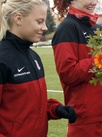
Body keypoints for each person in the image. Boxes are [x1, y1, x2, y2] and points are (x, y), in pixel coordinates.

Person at [51, 0, 102, 136]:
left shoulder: (98, 29)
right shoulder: (67, 28)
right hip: (88, 121)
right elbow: (68, 73)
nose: (95, 2)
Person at [0, 0, 76, 136]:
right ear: (18, 19)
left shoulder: (34, 57)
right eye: (39, 21)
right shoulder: (2, 59)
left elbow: (28, 105)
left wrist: (55, 109)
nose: (45, 27)